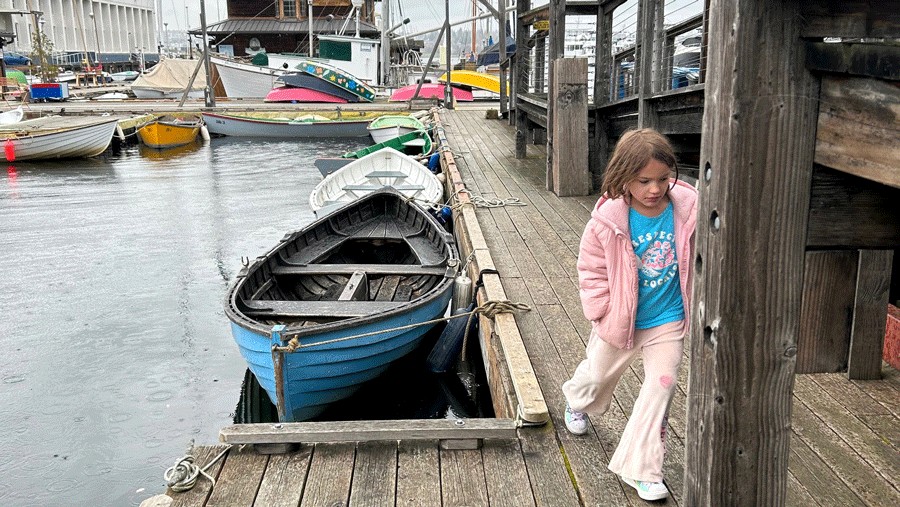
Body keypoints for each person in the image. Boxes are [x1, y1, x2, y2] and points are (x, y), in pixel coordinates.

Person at [561, 128, 697, 502]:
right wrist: (601, 311)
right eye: (644, 181)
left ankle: (643, 469)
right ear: (623, 177)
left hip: (669, 317)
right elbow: (590, 270)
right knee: (597, 374)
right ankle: (578, 400)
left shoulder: (687, 210)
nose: (655, 188)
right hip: (622, 318)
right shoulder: (607, 221)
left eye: (663, 179)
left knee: (663, 384)